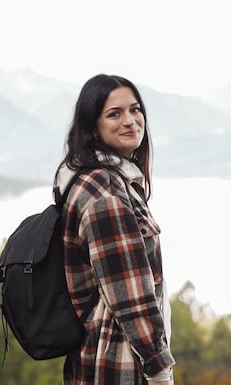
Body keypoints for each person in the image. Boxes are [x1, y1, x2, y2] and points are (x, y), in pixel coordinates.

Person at [54, 74, 176, 385]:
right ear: (93, 126)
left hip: (98, 361)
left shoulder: (101, 180)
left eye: (135, 110)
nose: (131, 121)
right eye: (114, 113)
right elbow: (130, 293)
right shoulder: (103, 189)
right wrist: (160, 369)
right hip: (117, 366)